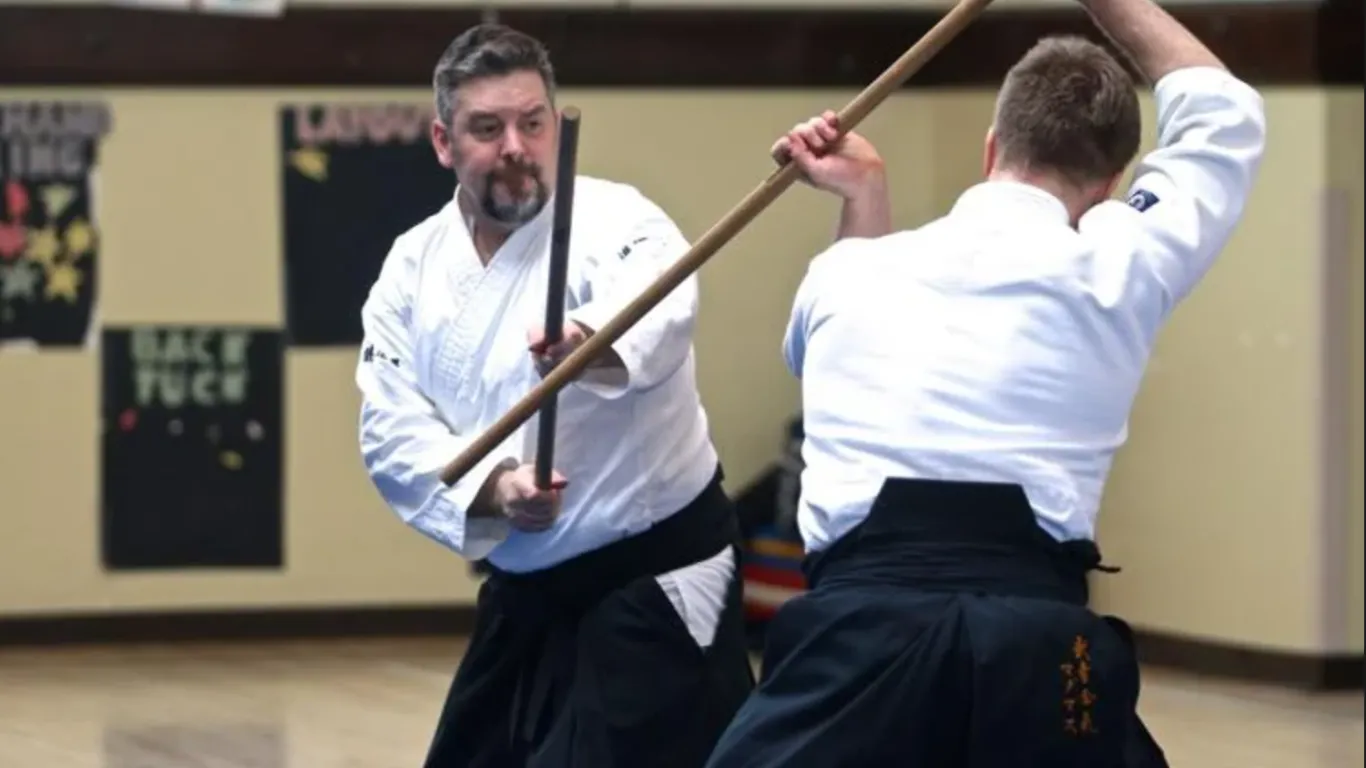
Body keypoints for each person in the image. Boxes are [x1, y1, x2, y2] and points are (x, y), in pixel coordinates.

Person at [703, 0, 1266, 764]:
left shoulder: (845, 277)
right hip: (1038, 655)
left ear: (991, 145)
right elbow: (1223, 112)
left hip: (856, 648)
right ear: (1109, 188)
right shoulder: (1120, 263)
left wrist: (864, 199)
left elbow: (827, 361)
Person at [354, 23, 754, 768]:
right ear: (443, 142)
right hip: (528, 585)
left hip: (651, 575)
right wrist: (498, 488)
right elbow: (389, 426)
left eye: (532, 123)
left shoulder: (618, 220)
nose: (515, 145)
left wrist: (593, 343)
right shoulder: (411, 268)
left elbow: (663, 304)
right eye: (487, 127)